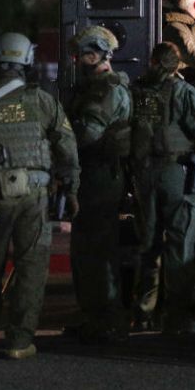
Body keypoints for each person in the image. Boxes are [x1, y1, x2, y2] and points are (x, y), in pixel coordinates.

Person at [0, 32, 81, 359]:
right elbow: (67, 149)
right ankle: (20, 341)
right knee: (31, 266)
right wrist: (72, 189)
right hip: (33, 196)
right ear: (27, 59)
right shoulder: (43, 100)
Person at [129, 42, 195, 334]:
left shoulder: (137, 91)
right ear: (177, 65)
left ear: (153, 61)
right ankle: (176, 317)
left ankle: (142, 314)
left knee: (148, 244)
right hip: (174, 172)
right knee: (180, 243)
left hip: (143, 174)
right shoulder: (182, 91)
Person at [66, 26, 133, 344]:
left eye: (83, 53)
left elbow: (88, 134)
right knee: (85, 248)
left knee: (98, 248)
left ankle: (108, 317)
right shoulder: (93, 87)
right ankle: (95, 314)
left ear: (97, 54)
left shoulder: (106, 89)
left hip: (100, 175)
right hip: (93, 174)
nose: (79, 59)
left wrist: (60, 140)